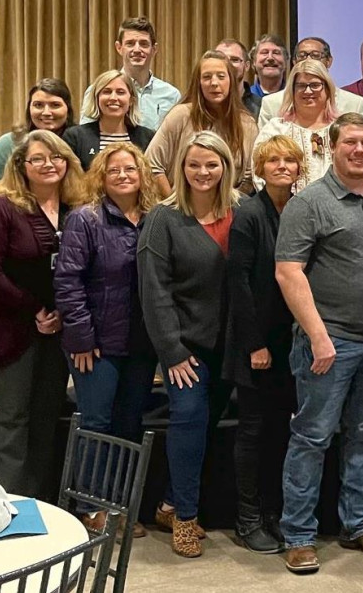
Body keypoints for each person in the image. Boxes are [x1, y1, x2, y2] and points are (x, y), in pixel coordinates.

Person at [275, 113, 363, 574]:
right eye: (350, 142)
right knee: (311, 438)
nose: (359, 150)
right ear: (333, 147)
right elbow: (288, 272)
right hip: (327, 344)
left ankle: (360, 525)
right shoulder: (309, 203)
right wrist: (318, 337)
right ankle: (298, 534)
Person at [138, 130, 238, 557]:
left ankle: (169, 502)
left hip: (228, 346)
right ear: (181, 168)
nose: (202, 172)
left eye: (211, 164)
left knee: (209, 426)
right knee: (189, 421)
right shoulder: (163, 218)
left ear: (226, 168)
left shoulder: (241, 211)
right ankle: (185, 518)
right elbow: (154, 290)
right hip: (184, 349)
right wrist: (172, 351)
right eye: (194, 164)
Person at [54, 142, 159, 535]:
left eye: (130, 169)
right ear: (101, 175)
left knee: (129, 423)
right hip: (95, 344)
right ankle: (90, 507)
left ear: (142, 174)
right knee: (97, 423)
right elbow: (67, 281)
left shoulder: (155, 217)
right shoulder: (86, 219)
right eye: (114, 170)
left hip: (142, 343)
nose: (122, 175)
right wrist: (80, 337)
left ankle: (119, 507)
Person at [0, 130, 82, 498]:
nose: (49, 165)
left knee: (45, 419)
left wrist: (65, 314)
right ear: (22, 166)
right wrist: (35, 309)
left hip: (60, 330)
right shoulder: (3, 206)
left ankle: (37, 502)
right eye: (38, 158)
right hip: (13, 328)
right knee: (13, 419)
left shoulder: (76, 210)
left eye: (56, 157)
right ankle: (7, 504)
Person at [224, 137, 304, 554]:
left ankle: (273, 513)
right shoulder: (248, 214)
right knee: (253, 432)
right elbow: (237, 283)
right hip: (257, 344)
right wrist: (254, 344)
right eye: (272, 159)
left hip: (292, 343)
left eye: (289, 159)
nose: (281, 165)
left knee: (281, 432)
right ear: (259, 166)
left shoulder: (300, 209)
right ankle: (248, 518)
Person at [146, 51, 260, 197]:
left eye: (221, 76)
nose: (214, 83)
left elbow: (250, 176)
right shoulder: (180, 115)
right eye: (206, 77)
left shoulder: (247, 123)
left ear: (231, 81)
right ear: (198, 83)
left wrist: (227, 206)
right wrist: (172, 207)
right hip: (179, 208)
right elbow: (151, 164)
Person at [252, 59, 339, 192]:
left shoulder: (341, 130)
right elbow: (258, 172)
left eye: (315, 85)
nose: (308, 91)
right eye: (301, 86)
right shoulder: (276, 129)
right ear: (292, 90)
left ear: (327, 89)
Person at [79, 17, 181, 130]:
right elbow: (86, 135)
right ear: (119, 48)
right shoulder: (98, 90)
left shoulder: (172, 95)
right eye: (130, 44)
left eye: (144, 44)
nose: (137, 49)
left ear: (154, 49)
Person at [0, 78, 75, 196]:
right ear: (29, 109)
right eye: (38, 105)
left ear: (68, 109)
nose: (46, 112)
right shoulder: (8, 144)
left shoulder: (80, 141)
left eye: (55, 105)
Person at [65, 70, 157, 171]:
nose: (113, 98)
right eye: (107, 92)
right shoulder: (75, 137)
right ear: (97, 98)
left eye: (120, 92)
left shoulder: (147, 137)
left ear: (131, 100)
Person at [258, 37, 363, 121]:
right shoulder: (272, 104)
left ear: (329, 61)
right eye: (302, 55)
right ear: (294, 62)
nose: (308, 60)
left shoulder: (354, 103)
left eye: (315, 55)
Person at [215, 38, 252, 109]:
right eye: (221, 59)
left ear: (246, 66)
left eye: (235, 60)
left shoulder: (261, 106)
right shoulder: (200, 105)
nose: (228, 64)